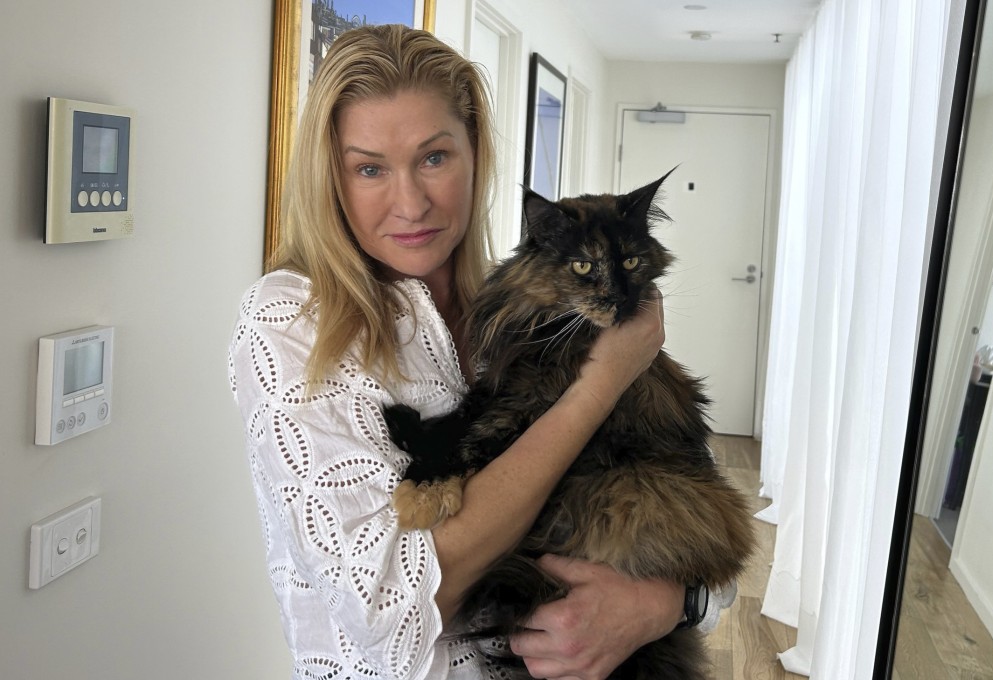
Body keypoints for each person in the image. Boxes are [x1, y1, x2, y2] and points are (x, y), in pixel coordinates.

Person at [229, 23, 694, 680]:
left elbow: (685, 490)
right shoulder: (292, 320)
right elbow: (389, 610)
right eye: (369, 168)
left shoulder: (523, 306)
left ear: (476, 152)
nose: (411, 202)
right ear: (329, 178)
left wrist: (666, 601)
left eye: (433, 158)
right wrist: (599, 387)